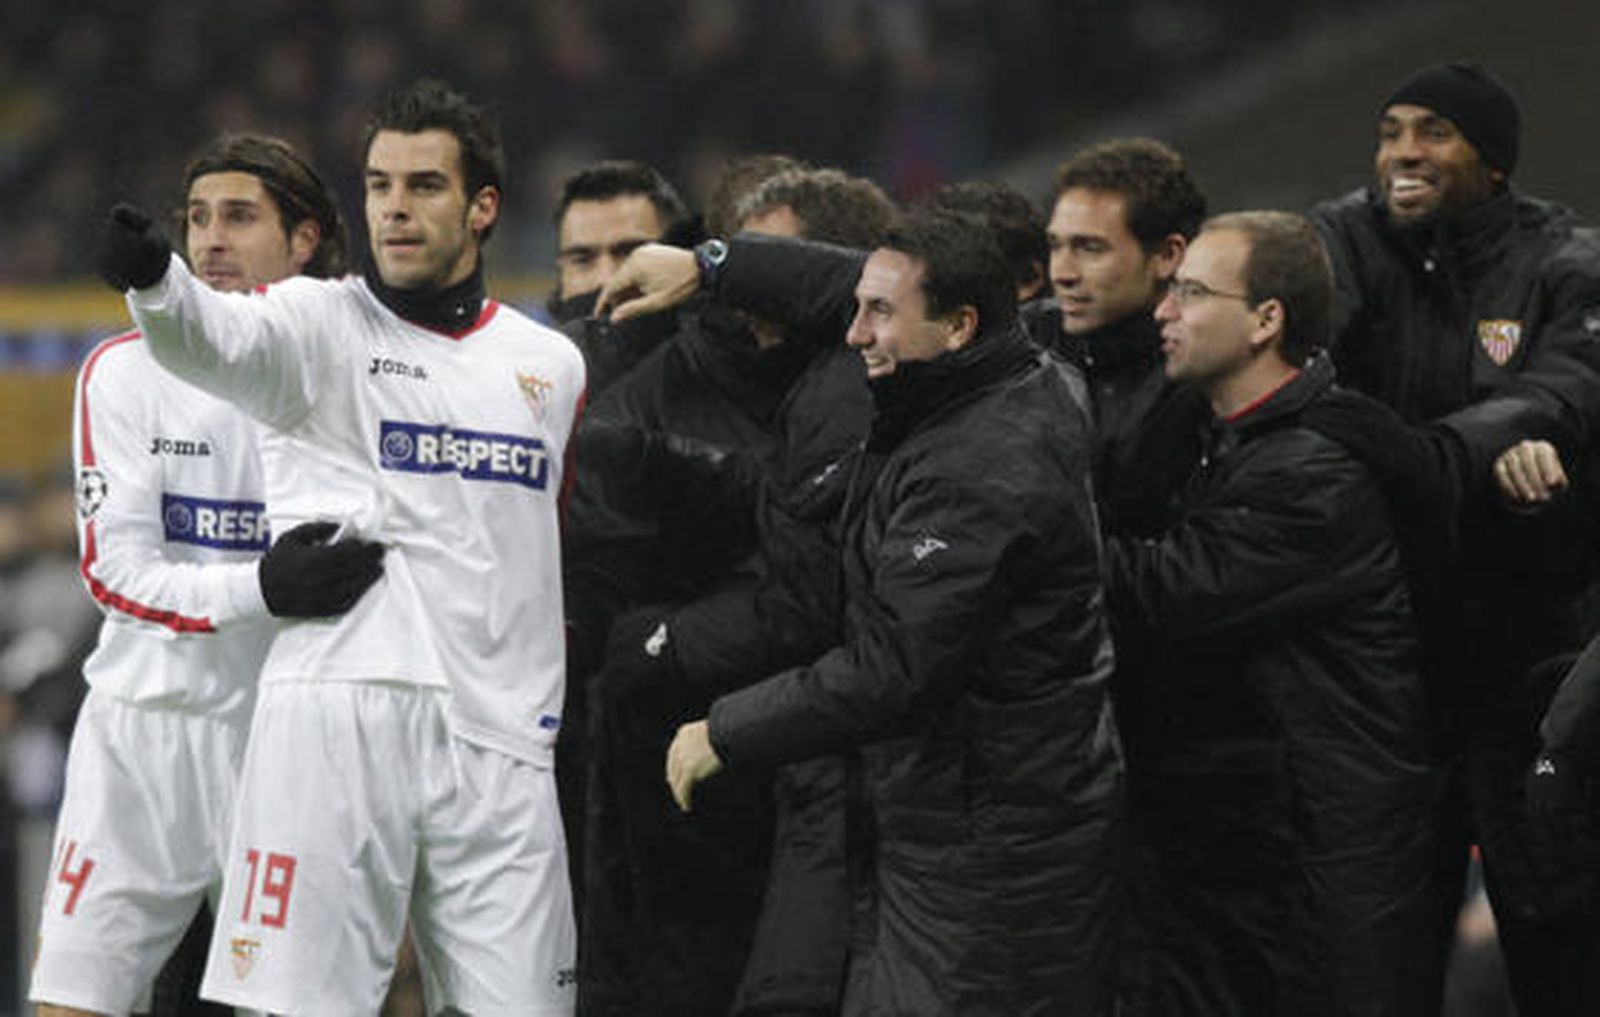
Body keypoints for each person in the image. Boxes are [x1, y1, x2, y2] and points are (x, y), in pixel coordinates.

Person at [93, 80, 585, 1014]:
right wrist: (157, 282)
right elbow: (210, 337)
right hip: (338, 718)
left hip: (502, 745)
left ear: (483, 207)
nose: (396, 206)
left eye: (426, 186)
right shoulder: (317, 322)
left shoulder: (549, 365)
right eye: (379, 184)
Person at [608, 207, 1123, 1015]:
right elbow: (861, 279)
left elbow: (892, 669)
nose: (852, 333)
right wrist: (716, 266)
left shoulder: (979, 471)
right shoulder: (1010, 365)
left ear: (957, 326)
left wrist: (725, 729)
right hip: (967, 813)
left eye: (878, 314)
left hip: (989, 846)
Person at [30, 133, 380, 1017]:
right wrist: (256, 589)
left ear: (304, 241)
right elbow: (117, 573)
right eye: (197, 218)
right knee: (71, 1001)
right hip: (143, 734)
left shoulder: (346, 367)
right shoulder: (123, 371)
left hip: (286, 739)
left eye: (240, 217)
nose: (212, 238)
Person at [1312, 61, 1600, 1016]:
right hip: (1380, 672)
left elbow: (1563, 396)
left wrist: (1419, 452)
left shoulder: (1567, 263)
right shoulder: (1341, 240)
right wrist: (1475, 455)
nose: (1402, 152)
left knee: (1555, 942)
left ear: (1495, 159)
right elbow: (1297, 356)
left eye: (1432, 131)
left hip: (1529, 667)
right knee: (1374, 966)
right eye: (1391, 130)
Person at [571, 166, 894, 1017]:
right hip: (692, 783)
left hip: (860, 763)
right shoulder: (631, 413)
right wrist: (655, 649)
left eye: (771, 266)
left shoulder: (890, 384)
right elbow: (602, 623)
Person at [1106, 211, 1437, 1015]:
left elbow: (1170, 591)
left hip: (1325, 854)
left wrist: (1016, 530)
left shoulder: (1315, 470)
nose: (1163, 309)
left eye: (1190, 291)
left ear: (1266, 320)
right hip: (1257, 839)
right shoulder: (1227, 439)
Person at [1040, 138, 1211, 540]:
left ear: (1168, 255)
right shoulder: (1031, 348)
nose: (1061, 273)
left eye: (1090, 248)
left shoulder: (1209, 383)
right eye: (1055, 246)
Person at [548, 159, 696, 393]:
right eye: (582, 259)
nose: (605, 278)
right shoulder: (525, 380)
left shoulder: (723, 375)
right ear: (561, 274)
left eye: (630, 253)